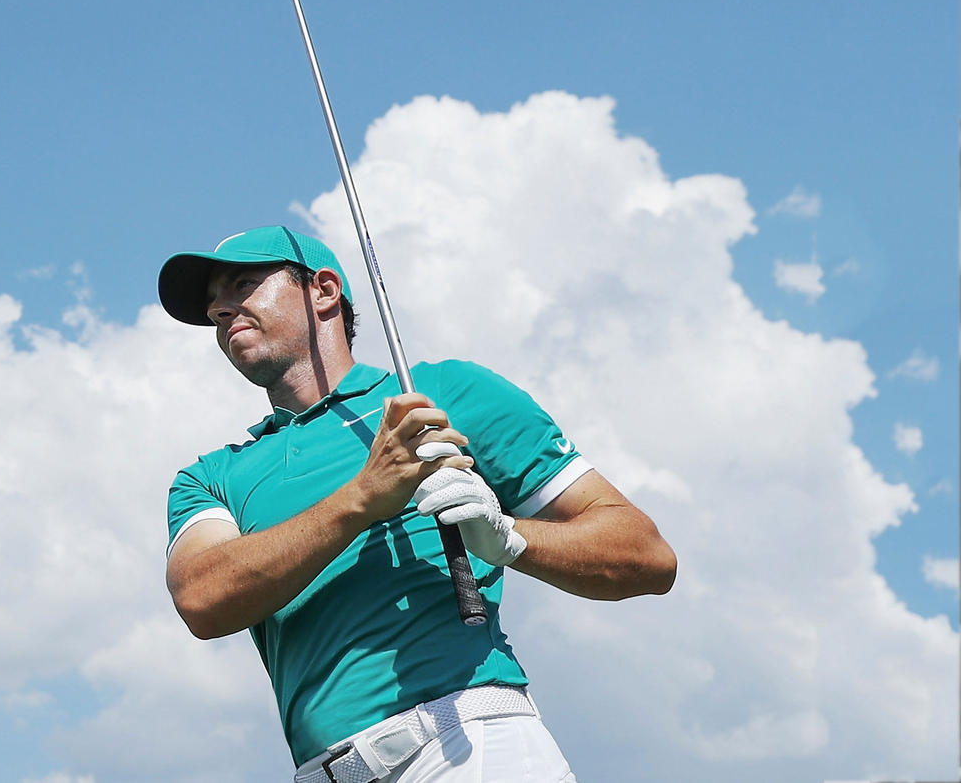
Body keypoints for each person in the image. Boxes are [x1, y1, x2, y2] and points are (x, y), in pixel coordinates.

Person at [158, 225, 676, 783]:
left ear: (324, 290)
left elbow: (646, 556)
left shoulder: (441, 393)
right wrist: (362, 498)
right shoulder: (211, 475)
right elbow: (202, 598)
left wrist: (508, 537)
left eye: (244, 284)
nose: (220, 309)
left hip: (465, 745)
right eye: (213, 304)